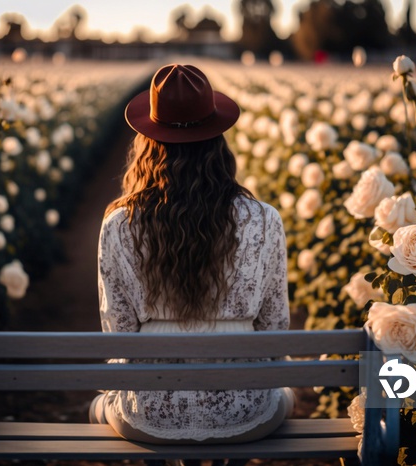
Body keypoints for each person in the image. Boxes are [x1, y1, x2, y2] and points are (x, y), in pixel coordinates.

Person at [90, 63, 294, 446]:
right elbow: (275, 325)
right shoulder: (264, 220)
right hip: (245, 413)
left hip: (150, 416)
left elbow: (118, 335)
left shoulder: (119, 224)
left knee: (100, 408)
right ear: (217, 139)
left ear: (148, 141)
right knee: (285, 397)